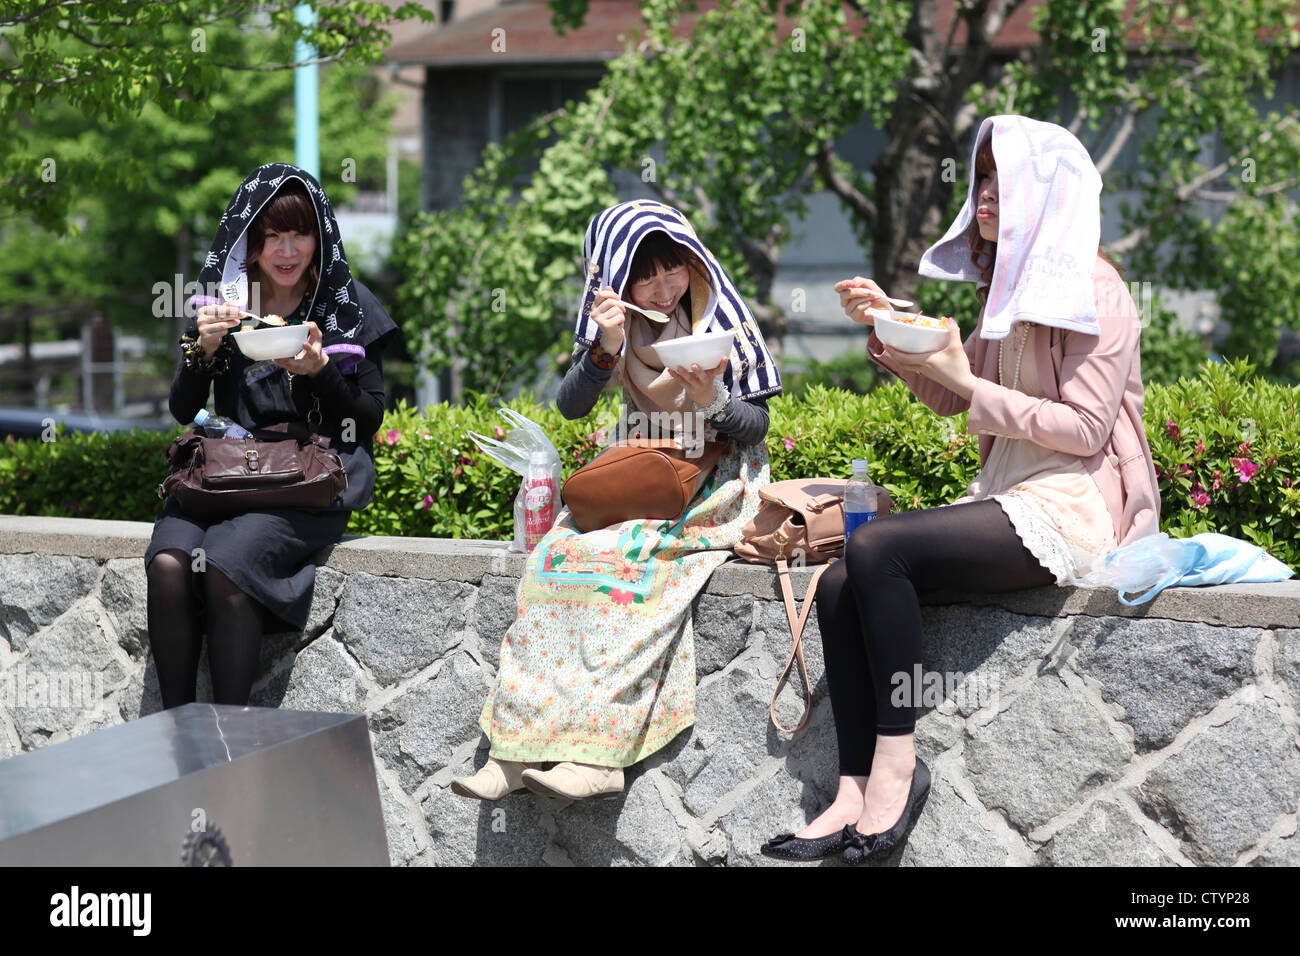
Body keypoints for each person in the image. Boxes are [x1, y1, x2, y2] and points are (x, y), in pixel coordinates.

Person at [761, 115, 1160, 863]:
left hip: (1072, 505)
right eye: (979, 180)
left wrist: (961, 379)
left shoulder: (1098, 290)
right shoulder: (1010, 290)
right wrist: (889, 330)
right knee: (844, 577)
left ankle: (897, 767)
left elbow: (1083, 429)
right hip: (1008, 496)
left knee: (876, 545)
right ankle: (852, 790)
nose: (982, 196)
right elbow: (955, 393)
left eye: (1001, 183)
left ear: (1047, 198)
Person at [452, 199, 782, 801]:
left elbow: (756, 425)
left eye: (672, 270)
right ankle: (516, 751)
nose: (661, 289)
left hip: (717, 477)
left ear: (693, 263)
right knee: (552, 561)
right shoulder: (618, 326)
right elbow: (571, 406)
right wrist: (605, 345)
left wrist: (711, 397)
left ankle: (599, 760)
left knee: (628, 574)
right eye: (644, 276)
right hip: (643, 472)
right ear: (616, 278)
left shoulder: (721, 322)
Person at [145, 163, 397, 708]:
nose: (287, 250)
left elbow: (370, 417)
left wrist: (321, 373)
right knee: (169, 563)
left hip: (308, 477)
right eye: (272, 236)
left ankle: (231, 739)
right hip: (229, 472)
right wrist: (203, 353)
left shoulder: (344, 304)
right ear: (250, 242)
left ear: (319, 235)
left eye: (299, 233)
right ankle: (177, 734)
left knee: (224, 562)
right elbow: (181, 407)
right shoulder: (224, 304)